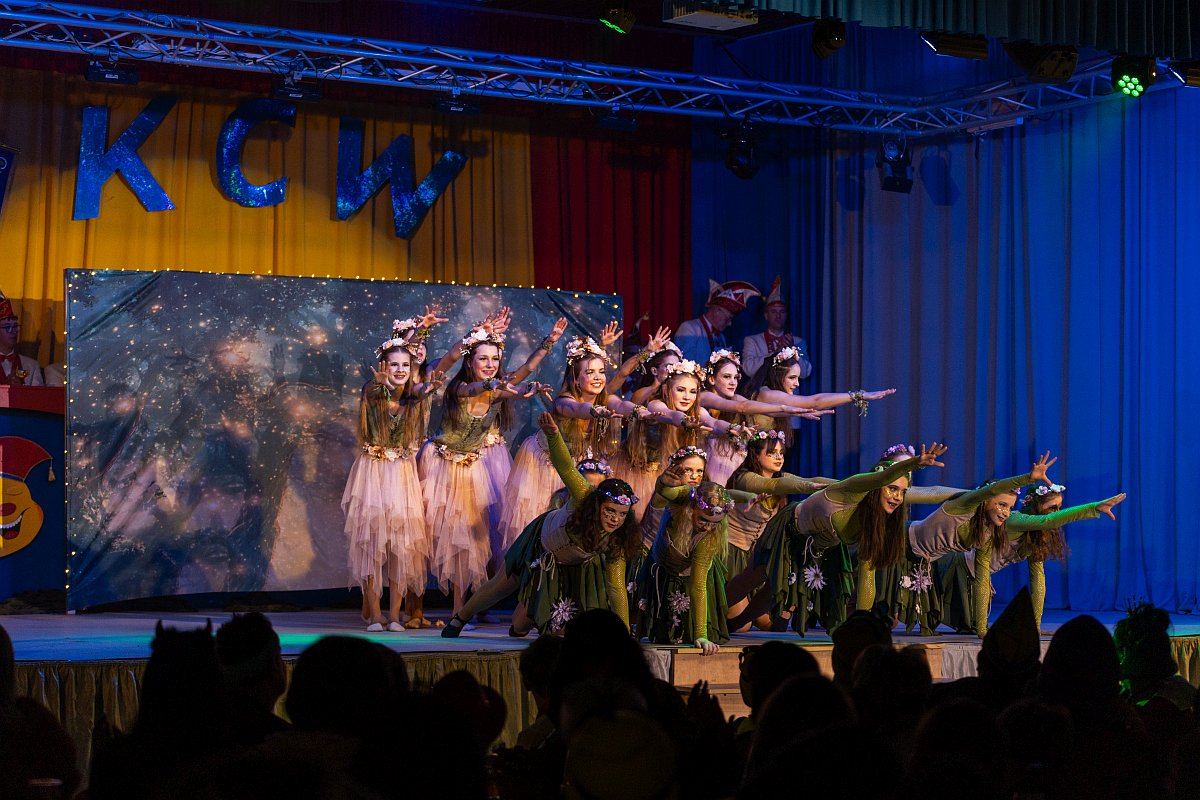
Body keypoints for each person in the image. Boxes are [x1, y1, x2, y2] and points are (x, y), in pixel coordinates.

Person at [420, 313, 568, 617]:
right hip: (443, 466)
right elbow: (475, 389)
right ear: (470, 362)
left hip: (471, 467)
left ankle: (471, 605)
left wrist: (548, 343)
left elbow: (525, 371)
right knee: (443, 536)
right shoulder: (460, 387)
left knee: (474, 536)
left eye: (495, 359)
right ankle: (428, 608)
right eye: (483, 359)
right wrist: (496, 378)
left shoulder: (498, 389)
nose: (490, 364)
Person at [442, 413, 640, 637]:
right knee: (502, 586)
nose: (615, 519)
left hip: (572, 565)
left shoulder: (617, 538)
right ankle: (460, 617)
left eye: (622, 514)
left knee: (543, 628)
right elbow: (566, 468)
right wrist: (554, 436)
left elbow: (616, 588)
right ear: (598, 504)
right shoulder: (584, 496)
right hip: (540, 544)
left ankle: (532, 620)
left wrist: (624, 636)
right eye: (610, 511)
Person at [725, 443, 948, 636]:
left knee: (773, 593)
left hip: (817, 549)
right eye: (892, 489)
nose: (897, 497)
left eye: (902, 492)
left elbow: (868, 577)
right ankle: (712, 614)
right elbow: (881, 477)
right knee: (756, 576)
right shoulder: (852, 488)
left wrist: (862, 625)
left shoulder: (874, 521)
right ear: (876, 485)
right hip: (789, 532)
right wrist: (914, 463)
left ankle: (733, 624)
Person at [906, 453, 1125, 637]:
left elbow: (1038, 581)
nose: (1056, 513)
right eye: (1052, 507)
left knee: (970, 626)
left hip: (972, 574)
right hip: (959, 568)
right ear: (1035, 507)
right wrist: (1093, 508)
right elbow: (1048, 522)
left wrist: (1035, 627)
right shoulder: (1015, 520)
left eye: (1059, 508)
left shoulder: (1034, 537)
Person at [494, 327, 667, 559]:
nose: (598, 377)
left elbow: (621, 400)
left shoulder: (605, 397)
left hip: (578, 465)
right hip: (546, 466)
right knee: (545, 520)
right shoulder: (564, 401)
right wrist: (595, 411)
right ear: (576, 378)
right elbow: (578, 409)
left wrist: (641, 412)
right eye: (590, 373)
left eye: (601, 372)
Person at [343, 318, 444, 632]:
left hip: (401, 473)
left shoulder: (413, 394)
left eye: (405, 365)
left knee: (402, 545)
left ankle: (395, 614)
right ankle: (375, 614)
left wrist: (430, 383)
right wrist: (382, 383)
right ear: (383, 365)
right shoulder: (372, 389)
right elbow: (377, 390)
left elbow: (424, 387)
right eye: (394, 364)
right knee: (372, 544)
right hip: (373, 473)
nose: (400, 370)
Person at [723, 431, 828, 631]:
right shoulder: (744, 477)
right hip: (731, 552)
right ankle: (716, 615)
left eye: (781, 453)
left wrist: (846, 486)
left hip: (754, 553)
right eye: (771, 453)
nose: (779, 457)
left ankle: (738, 620)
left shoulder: (781, 478)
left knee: (768, 623)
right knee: (744, 627)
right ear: (755, 455)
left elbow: (811, 478)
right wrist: (809, 486)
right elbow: (770, 485)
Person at [634, 481, 739, 654]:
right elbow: (663, 490)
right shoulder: (680, 503)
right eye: (703, 519)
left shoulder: (708, 537)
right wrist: (664, 479)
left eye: (715, 523)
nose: (708, 527)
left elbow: (698, 586)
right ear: (691, 508)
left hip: (691, 579)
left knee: (687, 635)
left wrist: (701, 634)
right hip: (660, 570)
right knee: (660, 633)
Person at [700, 349, 829, 485]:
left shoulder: (735, 398)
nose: (733, 382)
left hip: (728, 468)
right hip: (705, 467)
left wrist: (795, 412)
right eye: (727, 377)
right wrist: (784, 408)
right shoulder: (705, 397)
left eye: (736, 377)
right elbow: (738, 410)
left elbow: (759, 408)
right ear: (711, 379)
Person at [741, 276, 812, 380]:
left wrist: (793, 351)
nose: (778, 316)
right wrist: (775, 354)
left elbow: (805, 373)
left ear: (786, 315)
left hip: (791, 390)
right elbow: (748, 369)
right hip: (763, 389)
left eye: (782, 312)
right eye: (773, 312)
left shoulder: (798, 342)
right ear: (766, 315)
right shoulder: (752, 341)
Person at [673, 279, 761, 364]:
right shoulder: (689, 328)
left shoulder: (721, 337)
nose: (729, 323)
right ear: (717, 311)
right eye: (728, 318)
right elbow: (683, 363)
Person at [0, 291, 44, 386]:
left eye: (15, 326)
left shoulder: (32, 366)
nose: (13, 331)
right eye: (7, 327)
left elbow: (39, 394)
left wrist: (21, 389)